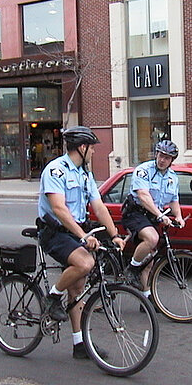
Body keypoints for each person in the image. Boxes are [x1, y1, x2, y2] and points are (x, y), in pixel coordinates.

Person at [37, 126, 126, 359]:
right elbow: (59, 209)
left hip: (74, 232)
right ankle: (53, 296)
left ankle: (79, 344)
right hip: (54, 232)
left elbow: (99, 206)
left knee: (78, 289)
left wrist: (115, 234)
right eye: (92, 148)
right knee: (85, 263)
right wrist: (84, 236)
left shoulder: (84, 174)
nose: (94, 153)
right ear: (82, 147)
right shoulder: (56, 170)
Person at [121, 140, 185, 297]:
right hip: (135, 213)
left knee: (149, 261)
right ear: (156, 154)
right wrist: (160, 215)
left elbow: (173, 199)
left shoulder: (172, 177)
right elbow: (143, 196)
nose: (162, 160)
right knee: (152, 238)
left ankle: (146, 297)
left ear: (172, 161)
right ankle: (131, 269)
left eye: (167, 158)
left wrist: (179, 216)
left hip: (152, 217)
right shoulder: (143, 170)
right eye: (161, 155)